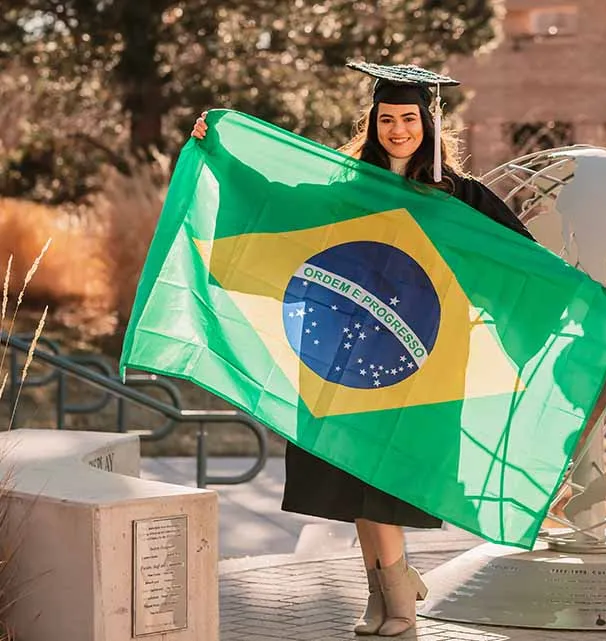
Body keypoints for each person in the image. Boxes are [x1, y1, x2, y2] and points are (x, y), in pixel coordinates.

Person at [190, 61, 534, 637]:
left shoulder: (459, 196)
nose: (398, 129)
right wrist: (220, 150)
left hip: (422, 360)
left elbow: (520, 258)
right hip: (344, 357)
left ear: (429, 122)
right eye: (386, 118)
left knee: (386, 478)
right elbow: (279, 205)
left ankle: (398, 599)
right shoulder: (349, 188)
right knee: (354, 476)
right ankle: (385, 593)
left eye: (408, 118)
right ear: (372, 123)